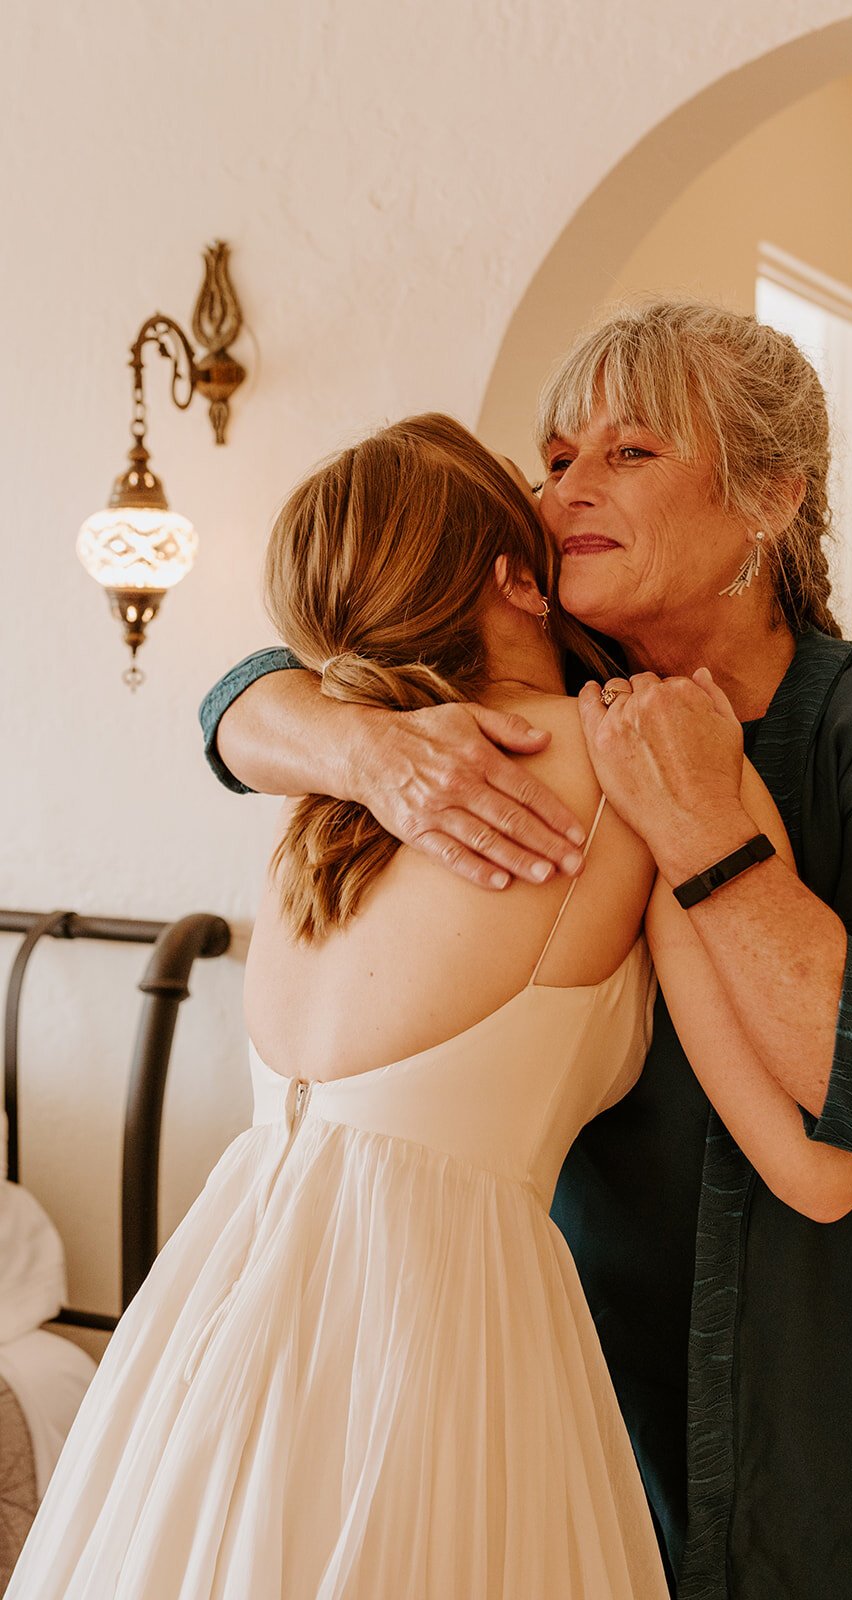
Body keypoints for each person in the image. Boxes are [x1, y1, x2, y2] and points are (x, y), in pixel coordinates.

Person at [199, 300, 852, 1600]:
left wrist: (711, 835)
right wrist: (367, 751)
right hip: (559, 1367)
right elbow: (239, 695)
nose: (564, 491)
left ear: (771, 493)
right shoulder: (533, 723)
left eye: (627, 452)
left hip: (826, 1386)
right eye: (552, 461)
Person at [16, 414, 802, 1598]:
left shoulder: (321, 802)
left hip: (221, 1304)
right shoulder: (630, 761)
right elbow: (799, 1131)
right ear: (513, 577)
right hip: (439, 1317)